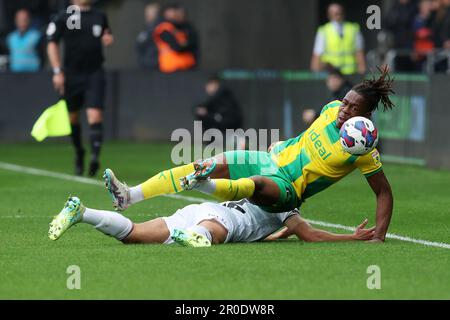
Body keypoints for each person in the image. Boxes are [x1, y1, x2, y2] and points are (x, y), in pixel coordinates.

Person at [104, 66, 395, 243]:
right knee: (203, 164)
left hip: (288, 189)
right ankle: (130, 196)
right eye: (345, 102)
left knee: (255, 183)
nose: (344, 110)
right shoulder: (330, 109)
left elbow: (383, 192)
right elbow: (308, 138)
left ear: (366, 114)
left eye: (352, 108)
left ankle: (203, 187)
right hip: (271, 160)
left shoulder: (363, 150)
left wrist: (379, 236)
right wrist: (282, 145)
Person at [48, 197, 376, 246]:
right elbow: (310, 235)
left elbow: (290, 233)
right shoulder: (287, 207)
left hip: (200, 208)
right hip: (218, 219)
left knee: (132, 234)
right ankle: (193, 236)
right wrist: (352, 237)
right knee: (214, 233)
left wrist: (275, 236)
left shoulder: (259, 184)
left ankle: (83, 213)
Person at [46, 0, 114, 177]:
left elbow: (107, 34)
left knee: (95, 115)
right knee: (73, 117)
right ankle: (79, 152)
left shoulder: (100, 15)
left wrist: (108, 38)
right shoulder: (63, 15)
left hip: (95, 73)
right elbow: (52, 42)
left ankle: (94, 158)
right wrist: (57, 71)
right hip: (71, 75)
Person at [310, 3, 366, 75]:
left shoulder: (353, 29)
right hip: (332, 74)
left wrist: (362, 70)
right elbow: (317, 54)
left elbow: (359, 52)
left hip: (350, 73)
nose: (338, 15)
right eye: (335, 13)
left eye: (339, 13)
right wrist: (315, 72)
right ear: (329, 15)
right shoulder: (324, 31)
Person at [153, 3, 196, 73]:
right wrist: (185, 44)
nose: (175, 15)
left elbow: (192, 43)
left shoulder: (182, 28)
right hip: (171, 68)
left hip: (186, 67)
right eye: (172, 12)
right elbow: (177, 47)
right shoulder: (164, 28)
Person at [136, 2, 160, 70]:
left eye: (152, 13)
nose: (149, 15)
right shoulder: (144, 31)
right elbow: (138, 48)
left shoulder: (162, 29)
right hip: (146, 67)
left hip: (158, 67)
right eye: (147, 13)